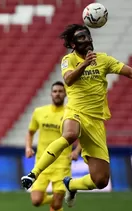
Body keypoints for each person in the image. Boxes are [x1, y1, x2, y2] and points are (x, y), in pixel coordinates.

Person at [20, 24, 132, 207]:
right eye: (81, 37)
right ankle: (33, 173)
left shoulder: (104, 59)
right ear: (73, 44)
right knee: (70, 134)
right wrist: (86, 63)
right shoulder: (68, 59)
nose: (87, 39)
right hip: (75, 112)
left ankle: (71, 184)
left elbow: (131, 71)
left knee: (101, 180)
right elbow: (69, 79)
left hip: (96, 122)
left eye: (88, 36)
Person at [25, 81, 82, 211]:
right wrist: (28, 148)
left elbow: (83, 136)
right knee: (36, 201)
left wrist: (77, 151)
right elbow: (30, 133)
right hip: (42, 162)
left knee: (56, 205)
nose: (57, 94)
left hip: (62, 163)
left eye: (60, 91)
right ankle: (62, 196)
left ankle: (59, 199)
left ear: (65, 94)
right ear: (51, 93)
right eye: (55, 91)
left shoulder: (71, 113)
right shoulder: (39, 112)